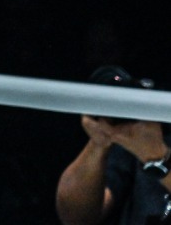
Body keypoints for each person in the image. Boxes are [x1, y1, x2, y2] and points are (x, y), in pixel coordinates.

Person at [55, 68, 171, 225]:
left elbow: (153, 154)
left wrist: (156, 158)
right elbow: (75, 216)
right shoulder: (154, 131)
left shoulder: (151, 146)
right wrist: (100, 141)